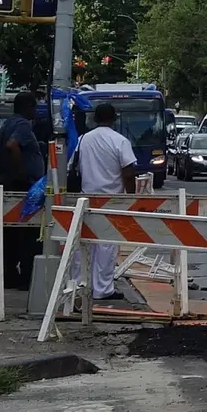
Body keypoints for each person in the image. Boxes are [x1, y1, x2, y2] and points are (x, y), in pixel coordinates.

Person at [75, 102, 136, 301]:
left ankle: (79, 284)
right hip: (111, 199)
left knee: (84, 244)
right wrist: (132, 197)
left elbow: (74, 166)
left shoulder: (83, 139)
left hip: (86, 198)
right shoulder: (120, 141)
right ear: (114, 118)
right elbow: (128, 172)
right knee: (107, 245)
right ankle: (102, 289)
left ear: (95, 119)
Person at [0, 91, 47, 291]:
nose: (35, 111)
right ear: (27, 107)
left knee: (10, 234)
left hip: (9, 184)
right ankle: (27, 275)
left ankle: (10, 274)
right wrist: (23, 173)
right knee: (29, 235)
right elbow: (12, 146)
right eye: (34, 106)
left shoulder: (7, 124)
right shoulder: (23, 125)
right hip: (24, 188)